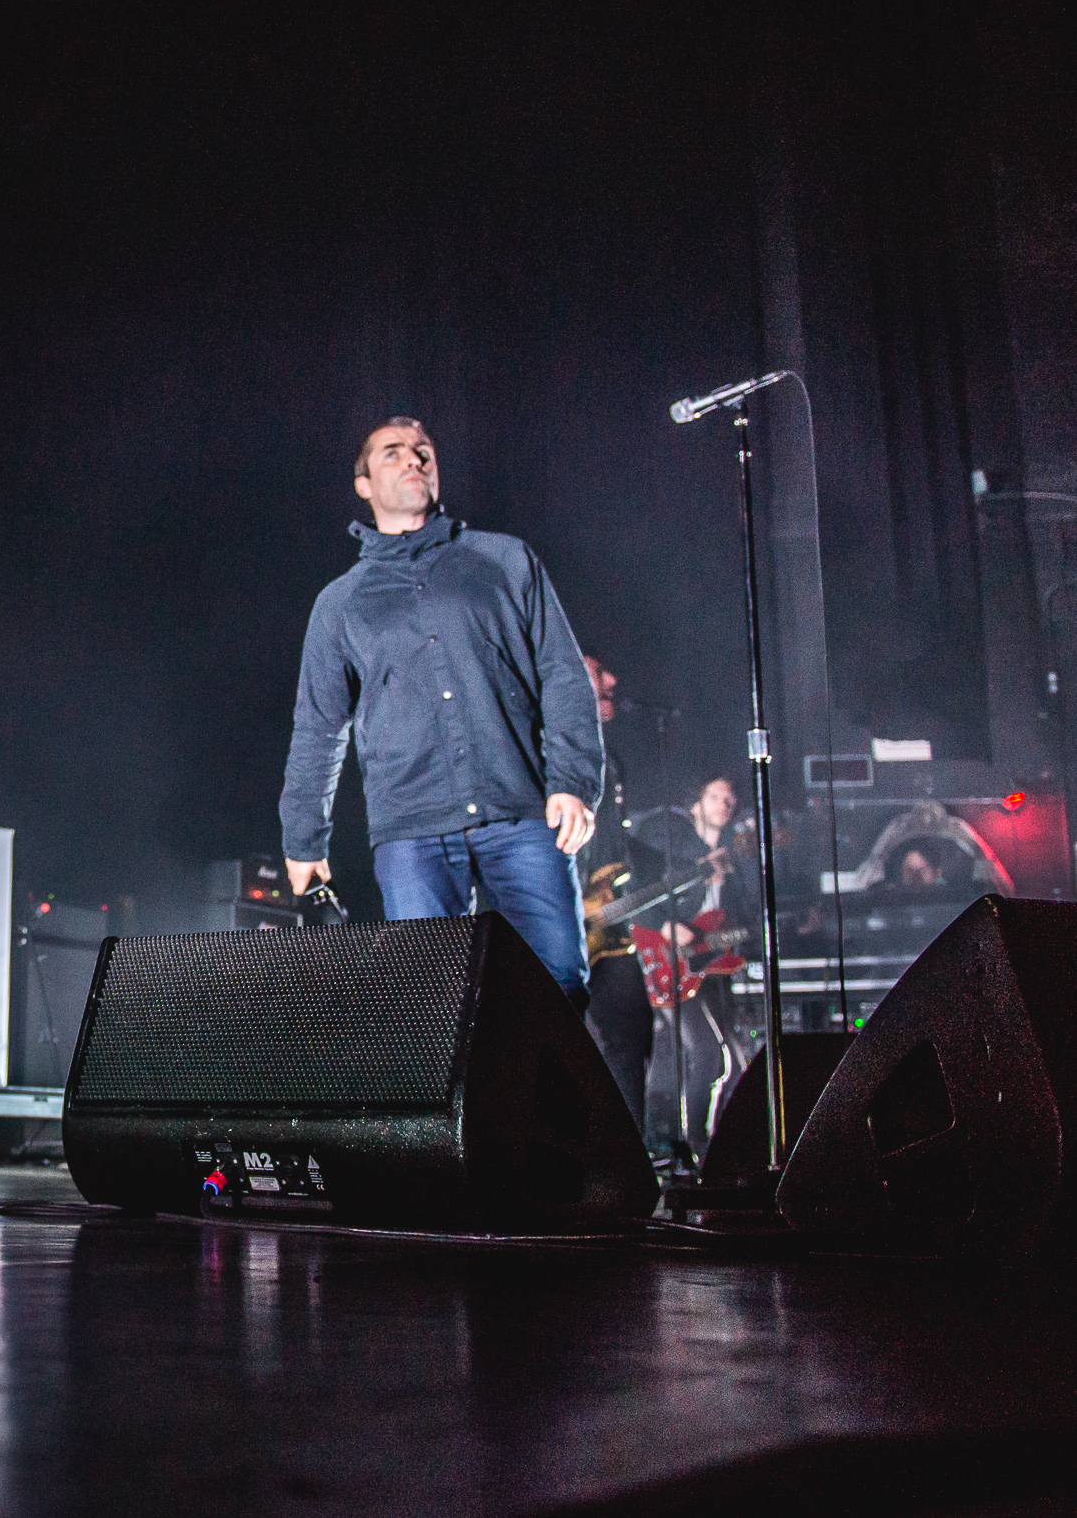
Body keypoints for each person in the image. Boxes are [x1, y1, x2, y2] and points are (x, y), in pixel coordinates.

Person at [280, 416, 604, 1006]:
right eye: (393, 453)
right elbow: (319, 727)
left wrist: (573, 781)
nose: (413, 461)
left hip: (522, 812)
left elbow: (561, 672)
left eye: (423, 452)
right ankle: (467, 1104)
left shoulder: (504, 560)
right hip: (413, 827)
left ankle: (541, 1101)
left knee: (556, 983)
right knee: (432, 1003)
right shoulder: (340, 603)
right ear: (364, 484)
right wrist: (305, 840)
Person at [644, 774, 759, 1161]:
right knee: (709, 1056)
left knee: (735, 1066)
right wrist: (664, 924)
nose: (723, 805)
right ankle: (694, 1145)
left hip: (705, 974)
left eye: (730, 799)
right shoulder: (673, 846)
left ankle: (710, 1146)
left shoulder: (732, 864)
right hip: (665, 966)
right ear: (697, 802)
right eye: (715, 796)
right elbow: (640, 896)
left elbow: (733, 927)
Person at [577, 652, 653, 1115]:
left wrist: (681, 867)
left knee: (631, 1030)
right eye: (597, 672)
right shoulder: (546, 749)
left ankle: (631, 1161)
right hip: (564, 918)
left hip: (607, 919)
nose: (613, 678)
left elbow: (614, 848)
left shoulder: (610, 761)